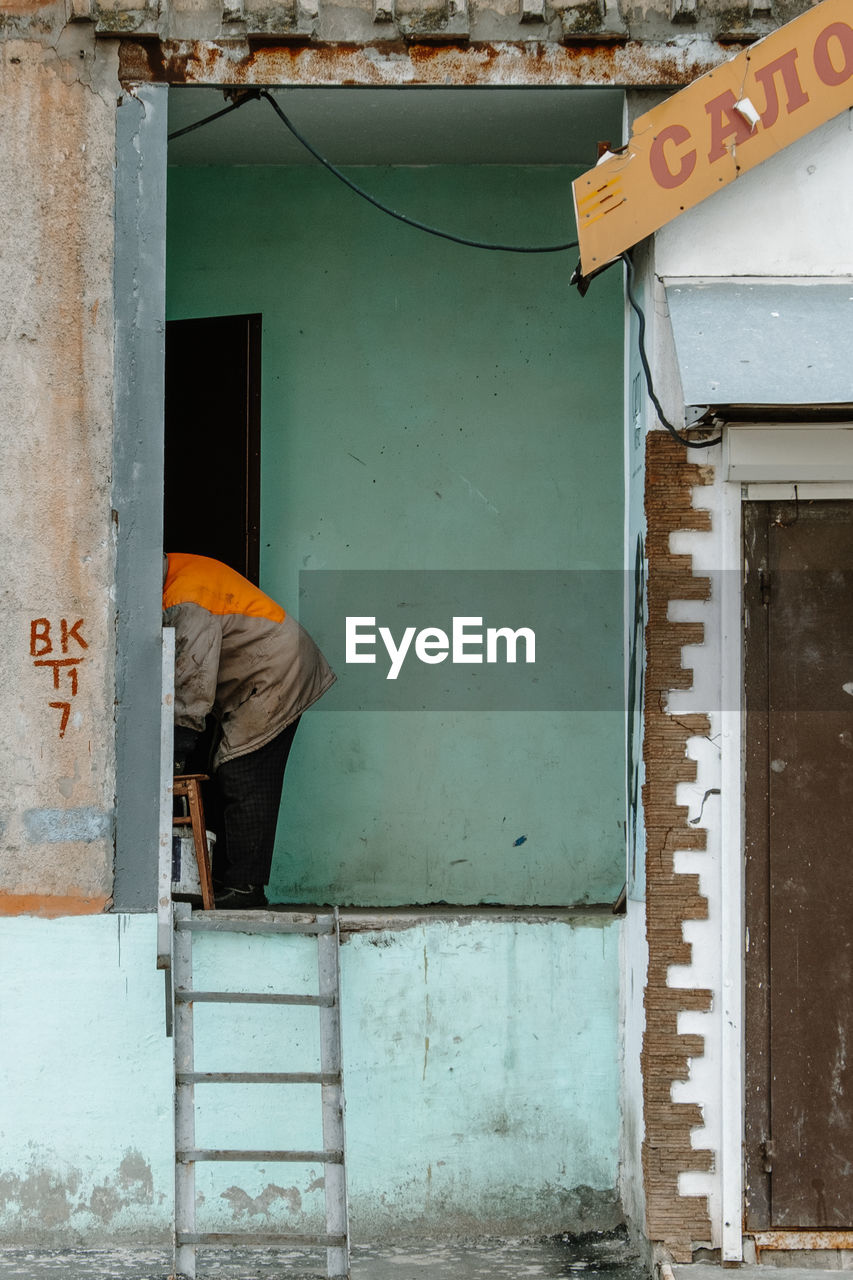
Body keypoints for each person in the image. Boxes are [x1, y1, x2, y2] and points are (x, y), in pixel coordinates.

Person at [163, 552, 335, 909]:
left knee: (242, 772)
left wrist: (175, 754)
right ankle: (233, 880)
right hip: (270, 668)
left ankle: (245, 888)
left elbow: (191, 683)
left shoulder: (187, 598)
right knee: (228, 770)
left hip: (275, 673)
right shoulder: (180, 574)